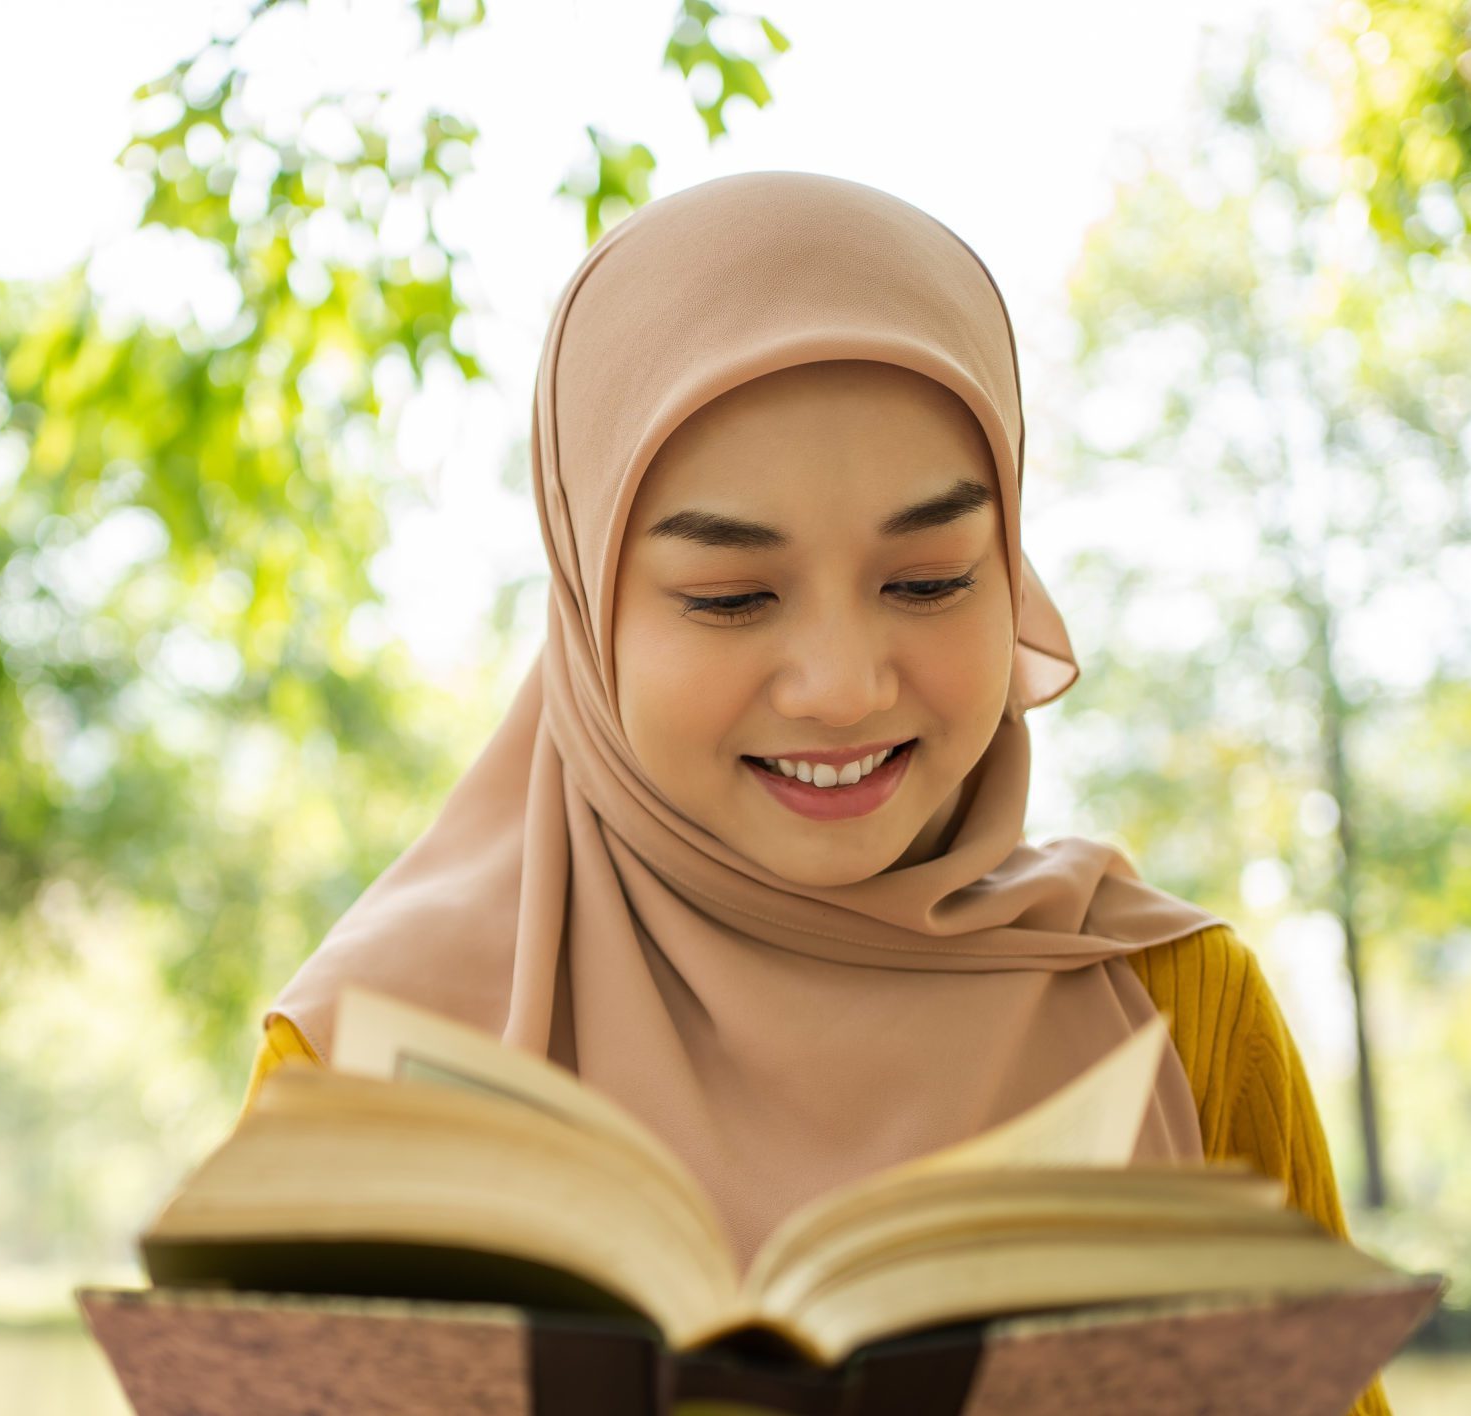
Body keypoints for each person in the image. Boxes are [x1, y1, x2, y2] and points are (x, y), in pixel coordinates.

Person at [238, 170, 1389, 1415]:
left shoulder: (1181, 1011)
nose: (841, 688)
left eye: (930, 579)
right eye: (729, 597)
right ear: (585, 605)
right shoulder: (364, 1066)